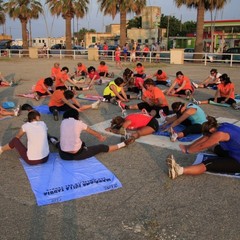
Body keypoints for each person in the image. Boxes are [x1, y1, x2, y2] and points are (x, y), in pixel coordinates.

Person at [166, 116, 240, 179]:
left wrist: (188, 151)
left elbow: (202, 146)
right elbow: (205, 138)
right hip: (235, 152)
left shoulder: (220, 134)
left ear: (211, 130)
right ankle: (213, 149)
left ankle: (179, 171)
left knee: (207, 164)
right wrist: (188, 146)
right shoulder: (221, 125)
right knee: (215, 147)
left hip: (238, 161)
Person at [48, 109, 134, 160]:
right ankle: (123, 144)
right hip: (77, 155)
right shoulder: (79, 123)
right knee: (101, 147)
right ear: (76, 116)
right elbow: (91, 131)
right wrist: (100, 136)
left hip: (63, 155)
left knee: (60, 144)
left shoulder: (63, 122)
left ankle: (51, 139)